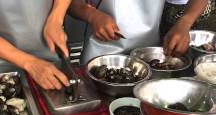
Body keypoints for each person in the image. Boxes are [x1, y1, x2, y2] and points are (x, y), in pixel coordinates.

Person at [69, 0, 209, 64]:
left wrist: (184, 23)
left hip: (149, 56)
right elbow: (71, 4)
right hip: (100, 57)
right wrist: (92, 15)